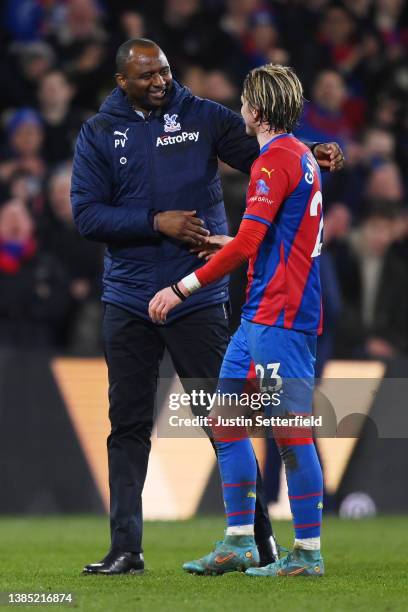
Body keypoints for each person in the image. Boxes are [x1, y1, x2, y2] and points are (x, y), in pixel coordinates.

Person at [71, 37, 344, 575]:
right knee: (128, 425)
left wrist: (316, 150)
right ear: (121, 81)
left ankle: (261, 543)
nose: (161, 81)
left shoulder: (200, 115)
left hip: (197, 298)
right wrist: (156, 222)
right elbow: (86, 216)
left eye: (165, 71)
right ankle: (128, 548)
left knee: (230, 419)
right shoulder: (99, 132)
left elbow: (269, 152)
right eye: (147, 75)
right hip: (128, 297)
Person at [149, 63, 325, 577]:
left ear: (256, 109)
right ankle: (239, 541)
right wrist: (229, 244)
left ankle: (308, 553)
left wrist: (182, 287)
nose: (240, 108)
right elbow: (274, 237)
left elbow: (251, 242)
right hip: (258, 315)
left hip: (281, 316)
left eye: (245, 100)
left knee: (292, 436)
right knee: (225, 423)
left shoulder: (273, 162)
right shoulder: (297, 156)